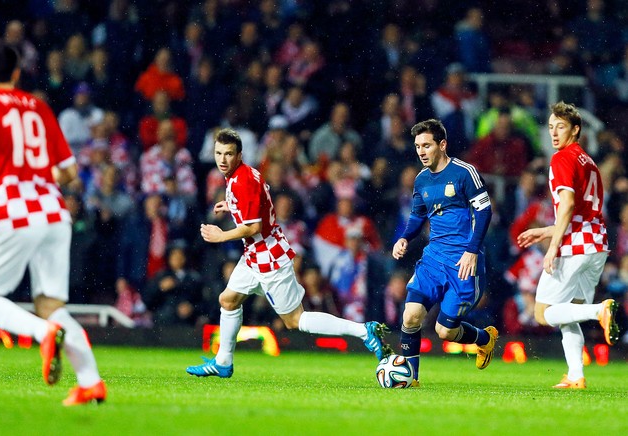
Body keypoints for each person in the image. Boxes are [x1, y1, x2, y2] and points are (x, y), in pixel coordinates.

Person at [0, 39, 106, 405]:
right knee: (52, 304)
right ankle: (90, 382)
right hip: (55, 212)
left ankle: (42, 333)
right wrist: (38, 178)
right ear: (17, 74)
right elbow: (70, 171)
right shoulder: (38, 106)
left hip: (15, 209)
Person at [186, 128, 390, 378]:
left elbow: (253, 226)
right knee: (228, 300)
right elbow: (261, 199)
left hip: (268, 257)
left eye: (228, 154)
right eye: (218, 153)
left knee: (295, 320)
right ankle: (223, 362)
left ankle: (363, 331)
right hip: (255, 254)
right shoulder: (243, 174)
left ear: (239, 155)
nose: (222, 159)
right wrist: (232, 205)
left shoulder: (243, 180)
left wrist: (221, 235)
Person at [516, 101, 619, 389]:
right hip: (596, 244)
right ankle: (576, 375)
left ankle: (600, 311)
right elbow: (582, 213)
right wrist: (548, 231)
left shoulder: (562, 159)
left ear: (575, 129)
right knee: (567, 313)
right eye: (550, 127)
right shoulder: (588, 161)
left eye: (560, 126)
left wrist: (553, 246)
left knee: (543, 312)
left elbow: (569, 204)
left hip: (574, 247)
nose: (554, 132)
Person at [391, 118, 498, 387]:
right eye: (417, 146)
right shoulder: (421, 180)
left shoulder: (464, 173)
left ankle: (484, 339)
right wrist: (405, 238)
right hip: (433, 259)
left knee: (445, 331)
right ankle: (411, 379)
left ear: (442, 144)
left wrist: (472, 251)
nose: (421, 151)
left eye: (426, 145)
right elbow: (417, 216)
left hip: (463, 262)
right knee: (411, 315)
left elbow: (484, 211)